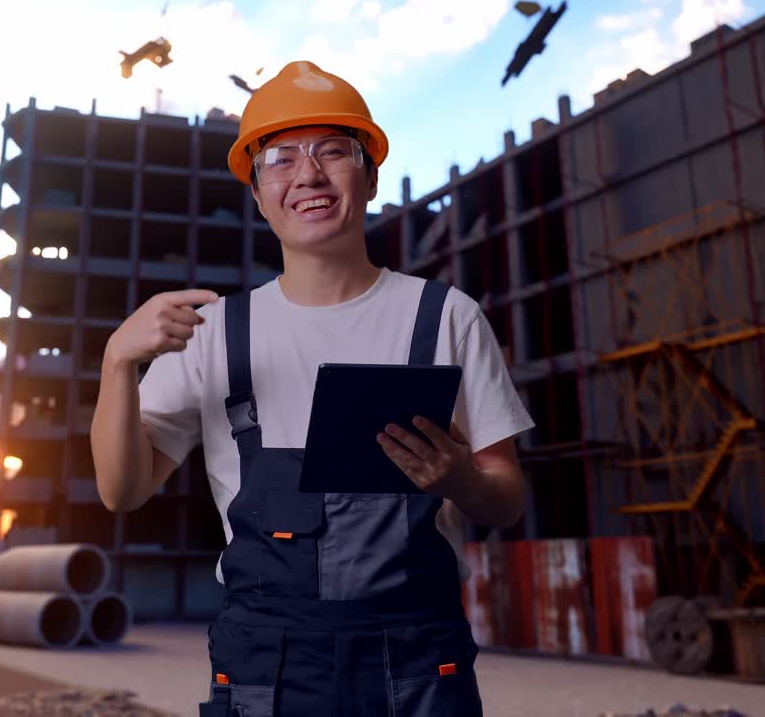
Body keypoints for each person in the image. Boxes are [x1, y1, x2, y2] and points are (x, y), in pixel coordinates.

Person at [91, 60, 534, 717]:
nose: (308, 175)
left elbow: (507, 500)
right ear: (259, 192)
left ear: (371, 175)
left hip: (416, 667)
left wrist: (460, 479)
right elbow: (122, 491)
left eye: (334, 152)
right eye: (280, 159)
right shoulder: (215, 332)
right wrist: (116, 363)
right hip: (267, 669)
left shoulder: (444, 316)